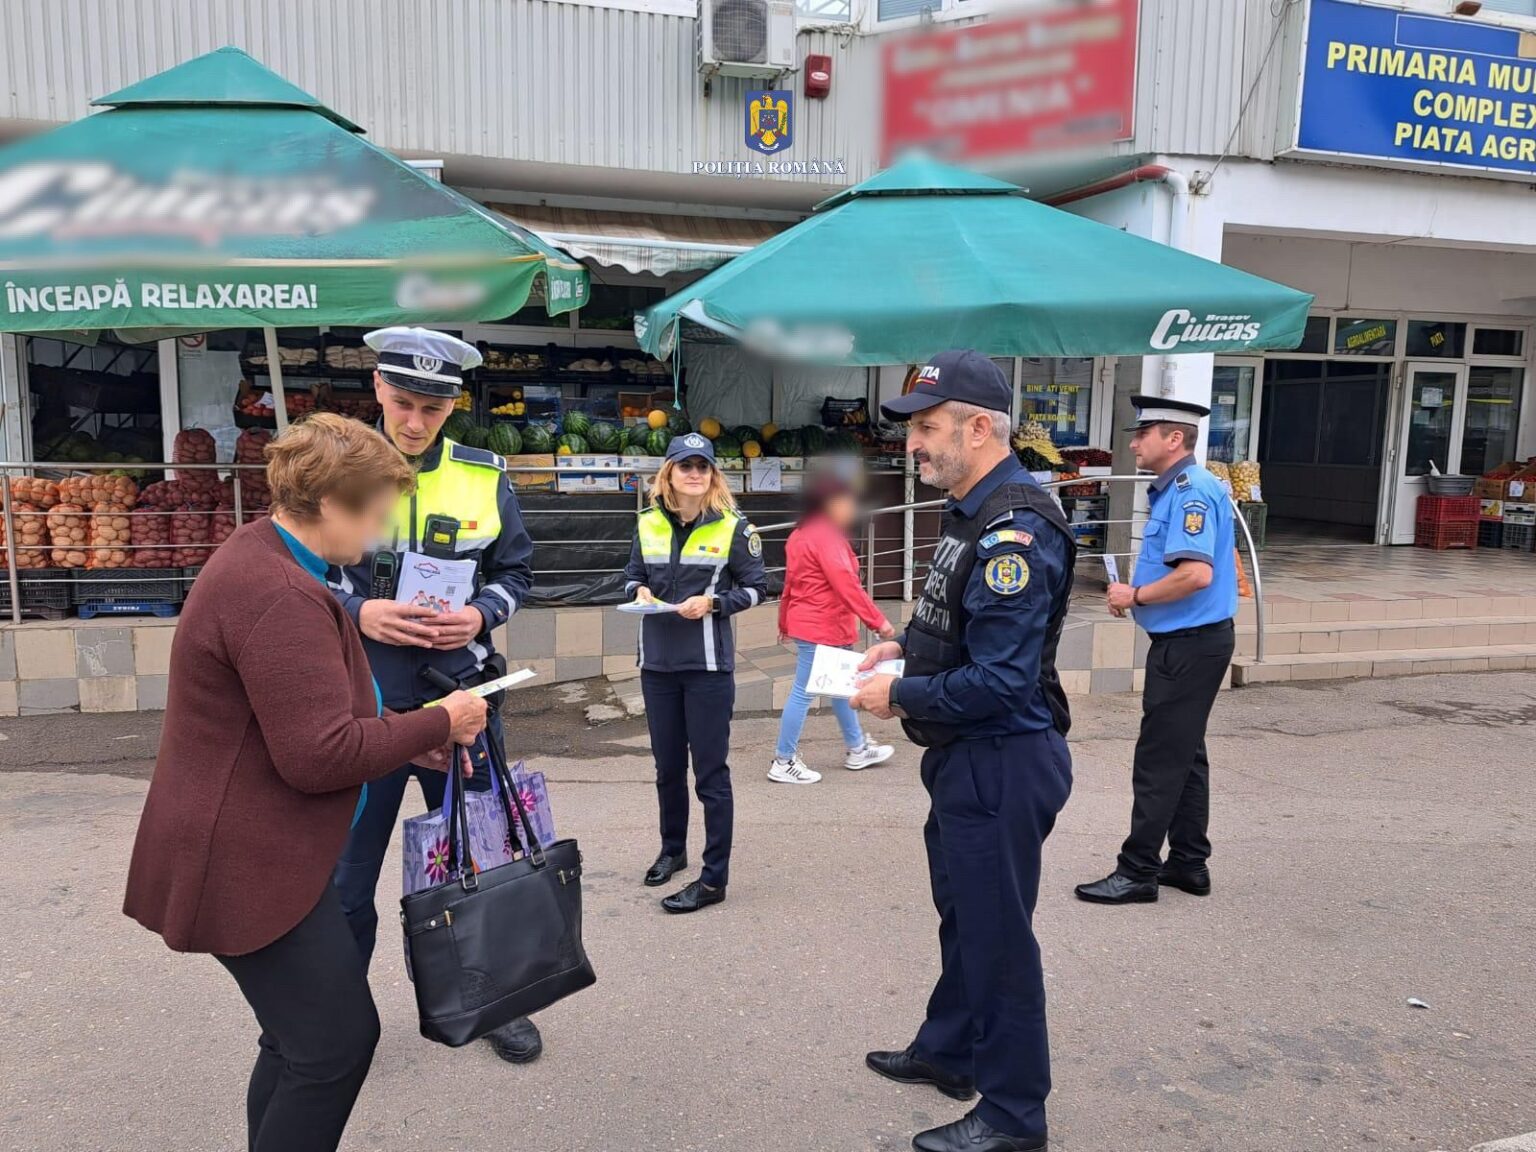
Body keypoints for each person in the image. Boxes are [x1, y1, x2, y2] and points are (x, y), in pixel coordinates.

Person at [123, 414, 489, 1152]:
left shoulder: (265, 554)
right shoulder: (279, 592)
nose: (380, 534)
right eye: (376, 515)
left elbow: (301, 720)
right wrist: (440, 720)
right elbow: (318, 753)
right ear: (328, 504)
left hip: (259, 852)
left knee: (298, 1041)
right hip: (243, 863)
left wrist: (405, 741)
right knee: (332, 1047)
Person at [850, 350, 1076, 1152]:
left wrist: (900, 695)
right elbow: (958, 622)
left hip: (1001, 759)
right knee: (964, 918)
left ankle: (1014, 1116)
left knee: (997, 939)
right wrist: (902, 652)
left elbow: (1002, 683)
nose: (911, 443)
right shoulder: (971, 510)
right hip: (967, 758)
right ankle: (951, 1051)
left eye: (926, 427)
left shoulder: (1017, 527)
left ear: (979, 428)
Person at [325, 326, 542, 1064]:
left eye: (433, 408)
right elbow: (299, 571)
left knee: (478, 860)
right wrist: (359, 611)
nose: (415, 422)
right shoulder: (337, 471)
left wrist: (480, 615)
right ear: (378, 389)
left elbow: (516, 573)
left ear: (454, 406)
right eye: (403, 403)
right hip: (363, 705)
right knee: (346, 875)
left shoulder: (484, 476)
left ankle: (492, 998)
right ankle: (334, 1016)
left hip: (461, 703)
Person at [1075, 397, 1237, 906]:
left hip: (1190, 645)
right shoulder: (1179, 489)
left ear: (1174, 439)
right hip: (1189, 642)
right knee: (1185, 756)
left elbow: (1196, 574)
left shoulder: (1191, 492)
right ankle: (1188, 862)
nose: (1133, 445)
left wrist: (1137, 595)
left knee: (1159, 761)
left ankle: (1137, 871)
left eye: (1142, 435)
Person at [623, 432, 768, 913]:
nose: (694, 473)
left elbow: (758, 588)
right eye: (685, 465)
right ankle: (672, 851)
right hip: (657, 666)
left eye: (702, 466)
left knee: (710, 776)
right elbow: (632, 576)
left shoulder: (734, 527)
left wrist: (713, 603)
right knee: (667, 769)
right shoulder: (646, 522)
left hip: (707, 669)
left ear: (712, 475)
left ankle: (713, 879)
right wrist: (638, 592)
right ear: (668, 473)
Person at [770, 472, 897, 784]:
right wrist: (877, 620)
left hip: (813, 623)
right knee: (804, 692)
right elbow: (846, 583)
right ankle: (784, 760)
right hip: (823, 626)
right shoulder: (826, 535)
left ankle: (857, 748)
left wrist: (785, 621)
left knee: (841, 689)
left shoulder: (802, 533)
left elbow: (791, 583)